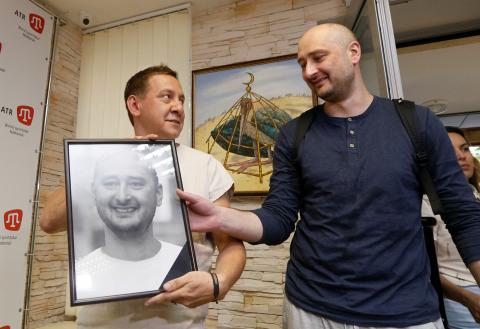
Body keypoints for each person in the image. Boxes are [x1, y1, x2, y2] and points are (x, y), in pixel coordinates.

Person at [176, 23, 480, 329]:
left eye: (318, 58)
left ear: (354, 52)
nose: (309, 71)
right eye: (302, 64)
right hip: (309, 309)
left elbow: (463, 214)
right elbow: (279, 219)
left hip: (405, 313)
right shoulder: (294, 133)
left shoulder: (416, 122)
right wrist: (219, 217)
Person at [40, 65, 246, 328]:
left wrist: (220, 282)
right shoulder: (100, 161)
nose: (178, 107)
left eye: (181, 100)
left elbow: (230, 244)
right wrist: (117, 152)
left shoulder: (206, 166)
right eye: (167, 97)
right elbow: (49, 221)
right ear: (135, 105)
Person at [75, 148, 182, 300]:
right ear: (94, 194)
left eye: (136, 184)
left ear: (158, 194)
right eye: (110, 183)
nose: (122, 197)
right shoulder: (82, 271)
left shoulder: (182, 262)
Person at [422, 126, 480, 329]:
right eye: (448, 151)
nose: (460, 156)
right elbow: (425, 267)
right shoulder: (426, 205)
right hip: (460, 296)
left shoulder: (476, 198)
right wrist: (468, 299)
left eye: (464, 149)